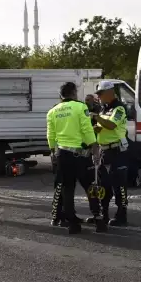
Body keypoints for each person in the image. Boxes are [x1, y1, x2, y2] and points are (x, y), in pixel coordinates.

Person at [46, 81, 101, 234]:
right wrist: (94, 146)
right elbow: (86, 129)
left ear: (61, 95)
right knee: (90, 186)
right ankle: (98, 218)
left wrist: (52, 152)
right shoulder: (80, 107)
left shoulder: (52, 111)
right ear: (74, 93)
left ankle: (72, 224)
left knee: (67, 190)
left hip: (62, 154)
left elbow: (51, 135)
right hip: (80, 155)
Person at [93, 80, 131, 227]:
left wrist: (96, 117)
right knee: (103, 185)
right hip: (104, 151)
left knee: (119, 185)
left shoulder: (119, 108)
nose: (99, 97)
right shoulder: (104, 108)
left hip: (117, 151)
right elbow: (101, 127)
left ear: (110, 92)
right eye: (98, 94)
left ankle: (122, 215)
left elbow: (111, 124)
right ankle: (104, 213)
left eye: (101, 94)